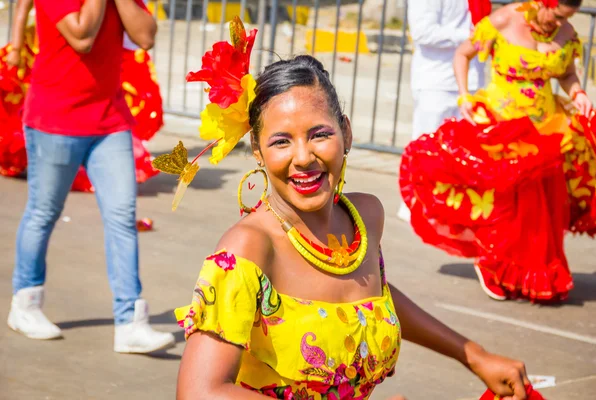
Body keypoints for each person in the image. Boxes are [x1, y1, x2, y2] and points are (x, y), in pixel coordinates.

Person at [152, 17, 533, 399]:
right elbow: (200, 393)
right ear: (257, 151)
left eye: (320, 134)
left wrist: (473, 355)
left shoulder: (365, 218)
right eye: (281, 142)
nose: (303, 157)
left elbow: (372, 294)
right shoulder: (247, 249)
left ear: (346, 132)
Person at [399, 0, 596, 302]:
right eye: (556, 15)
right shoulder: (504, 19)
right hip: (502, 124)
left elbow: (567, 74)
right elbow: (463, 54)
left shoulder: (567, 33)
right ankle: (491, 266)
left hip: (545, 126)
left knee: (540, 209)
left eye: (567, 18)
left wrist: (579, 92)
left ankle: (529, 274)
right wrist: (465, 95)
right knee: (507, 206)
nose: (558, 24)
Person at [7, 0, 175, 354]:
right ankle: (25, 304)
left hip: (108, 122)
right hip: (55, 121)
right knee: (43, 211)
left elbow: (145, 36)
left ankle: (130, 321)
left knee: (121, 217)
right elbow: (81, 35)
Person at [0, 0, 162, 190]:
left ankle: (97, 166)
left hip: (108, 99)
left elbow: (146, 38)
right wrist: (17, 49)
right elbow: (24, 9)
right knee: (43, 209)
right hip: (52, 71)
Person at [398, 0, 489, 221]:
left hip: (471, 81)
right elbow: (422, 32)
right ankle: (416, 207)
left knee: (461, 152)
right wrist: (470, 35)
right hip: (436, 81)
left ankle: (450, 208)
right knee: (428, 149)